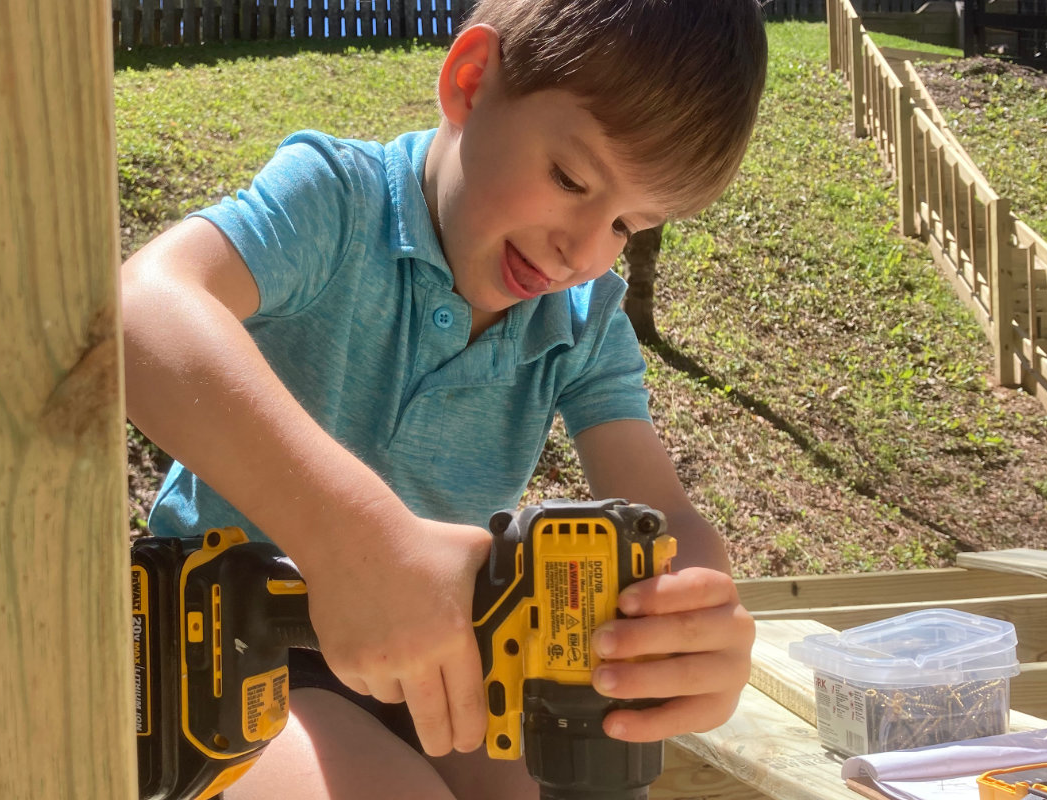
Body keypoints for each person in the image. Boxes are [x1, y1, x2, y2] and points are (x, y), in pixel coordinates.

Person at [121, 0, 768, 796]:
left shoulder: (582, 322)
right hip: (219, 650)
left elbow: (665, 518)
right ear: (469, 82)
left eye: (627, 225)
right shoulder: (338, 203)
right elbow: (142, 308)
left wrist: (694, 626)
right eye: (571, 179)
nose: (582, 251)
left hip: (426, 652)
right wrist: (351, 538)